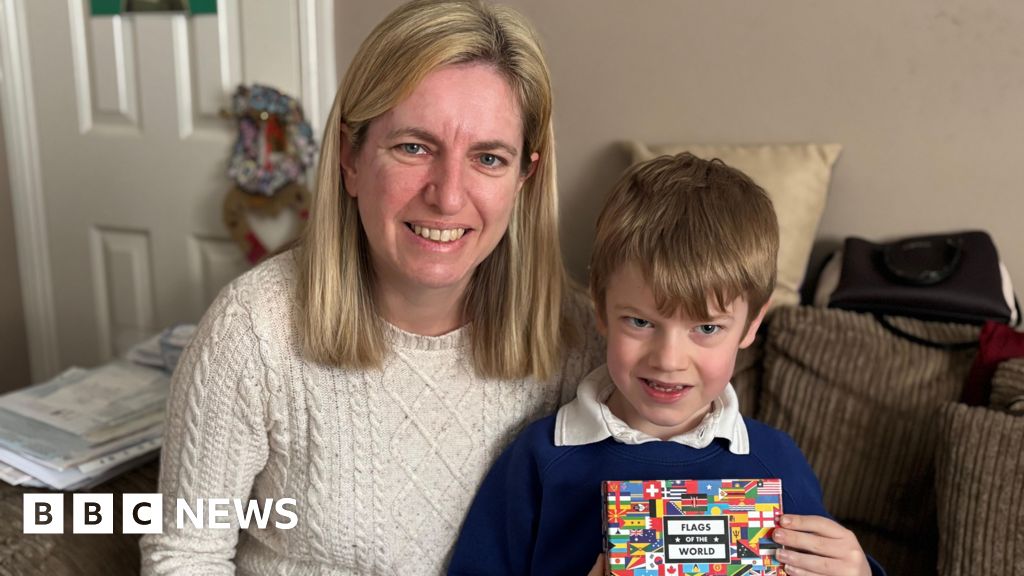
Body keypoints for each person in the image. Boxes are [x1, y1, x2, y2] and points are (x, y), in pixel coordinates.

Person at [139, 1, 602, 573]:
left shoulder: (580, 342)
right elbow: (186, 553)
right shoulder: (253, 330)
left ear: (523, 180)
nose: (448, 196)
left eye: (487, 158)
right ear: (351, 158)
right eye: (414, 147)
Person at [448, 153, 886, 576]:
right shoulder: (540, 459)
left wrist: (860, 571)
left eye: (707, 329)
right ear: (599, 308)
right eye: (640, 322)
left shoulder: (776, 463)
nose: (669, 360)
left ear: (752, 324)